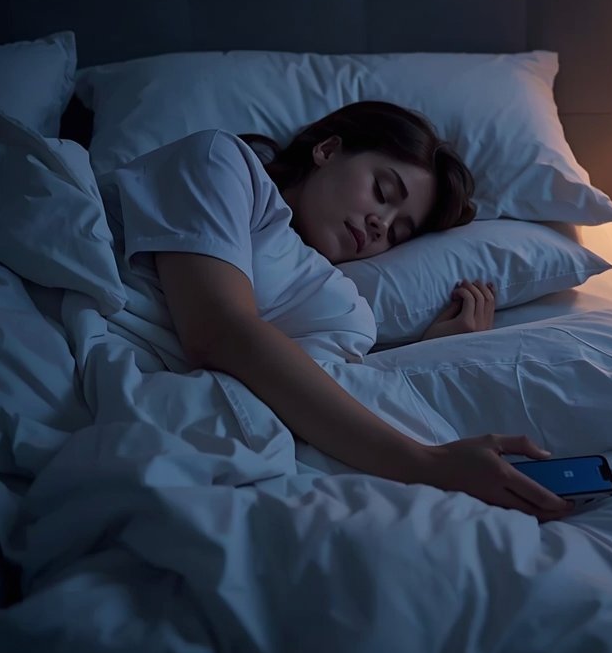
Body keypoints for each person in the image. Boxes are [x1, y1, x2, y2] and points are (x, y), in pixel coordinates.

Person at [110, 100, 571, 522]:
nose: (380, 225)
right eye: (382, 191)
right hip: (206, 426)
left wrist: (428, 357)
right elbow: (219, 331)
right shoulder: (221, 162)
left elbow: (323, 376)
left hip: (323, 453)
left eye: (397, 233)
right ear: (328, 150)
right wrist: (425, 464)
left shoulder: (329, 282)